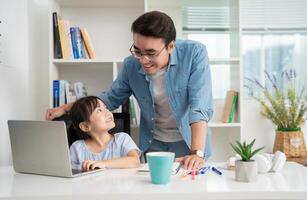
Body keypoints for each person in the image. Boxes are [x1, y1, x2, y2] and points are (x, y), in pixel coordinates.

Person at [46, 11, 213, 170]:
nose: (143, 60)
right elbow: (110, 98)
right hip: (153, 142)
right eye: (137, 51)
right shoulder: (131, 65)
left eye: (151, 53)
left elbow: (199, 106)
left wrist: (196, 152)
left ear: (170, 47)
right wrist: (65, 108)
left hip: (189, 141)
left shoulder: (194, 54)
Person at [69, 96, 140, 171]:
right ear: (85, 126)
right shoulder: (77, 148)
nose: (107, 112)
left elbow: (135, 161)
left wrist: (103, 163)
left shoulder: (122, 139)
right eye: (99, 110)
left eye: (106, 108)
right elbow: (69, 171)